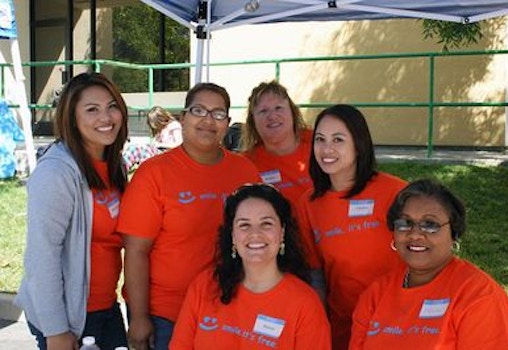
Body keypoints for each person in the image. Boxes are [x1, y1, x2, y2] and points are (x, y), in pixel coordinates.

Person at [117, 82, 260, 350]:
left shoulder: (245, 172)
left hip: (229, 310)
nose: (208, 120)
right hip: (167, 315)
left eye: (218, 113)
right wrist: (138, 318)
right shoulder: (153, 174)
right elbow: (135, 251)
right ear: (183, 118)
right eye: (199, 110)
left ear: (227, 122)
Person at [14, 72, 129, 349]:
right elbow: (42, 256)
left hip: (106, 306)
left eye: (112, 106)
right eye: (92, 110)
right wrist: (56, 329)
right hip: (69, 316)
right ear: (71, 118)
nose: (106, 117)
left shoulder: (116, 165)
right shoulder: (57, 172)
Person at [350, 179, 508, 349]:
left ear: (453, 234)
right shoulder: (375, 295)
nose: (415, 234)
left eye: (430, 225)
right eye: (405, 223)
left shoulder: (479, 296)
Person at [297, 104, 407, 350]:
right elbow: (316, 276)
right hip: (343, 326)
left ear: (358, 145)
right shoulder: (309, 203)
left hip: (396, 323)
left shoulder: (395, 192)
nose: (327, 149)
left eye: (338, 139)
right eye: (320, 139)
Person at [169, 183, 331, 349]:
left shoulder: (305, 305)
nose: (255, 234)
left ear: (282, 232)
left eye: (266, 224)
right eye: (244, 225)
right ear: (232, 235)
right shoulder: (204, 286)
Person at [242, 80, 312, 207]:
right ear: (253, 121)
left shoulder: (318, 142)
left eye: (278, 108)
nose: (272, 116)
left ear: (292, 112)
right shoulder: (247, 163)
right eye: (263, 111)